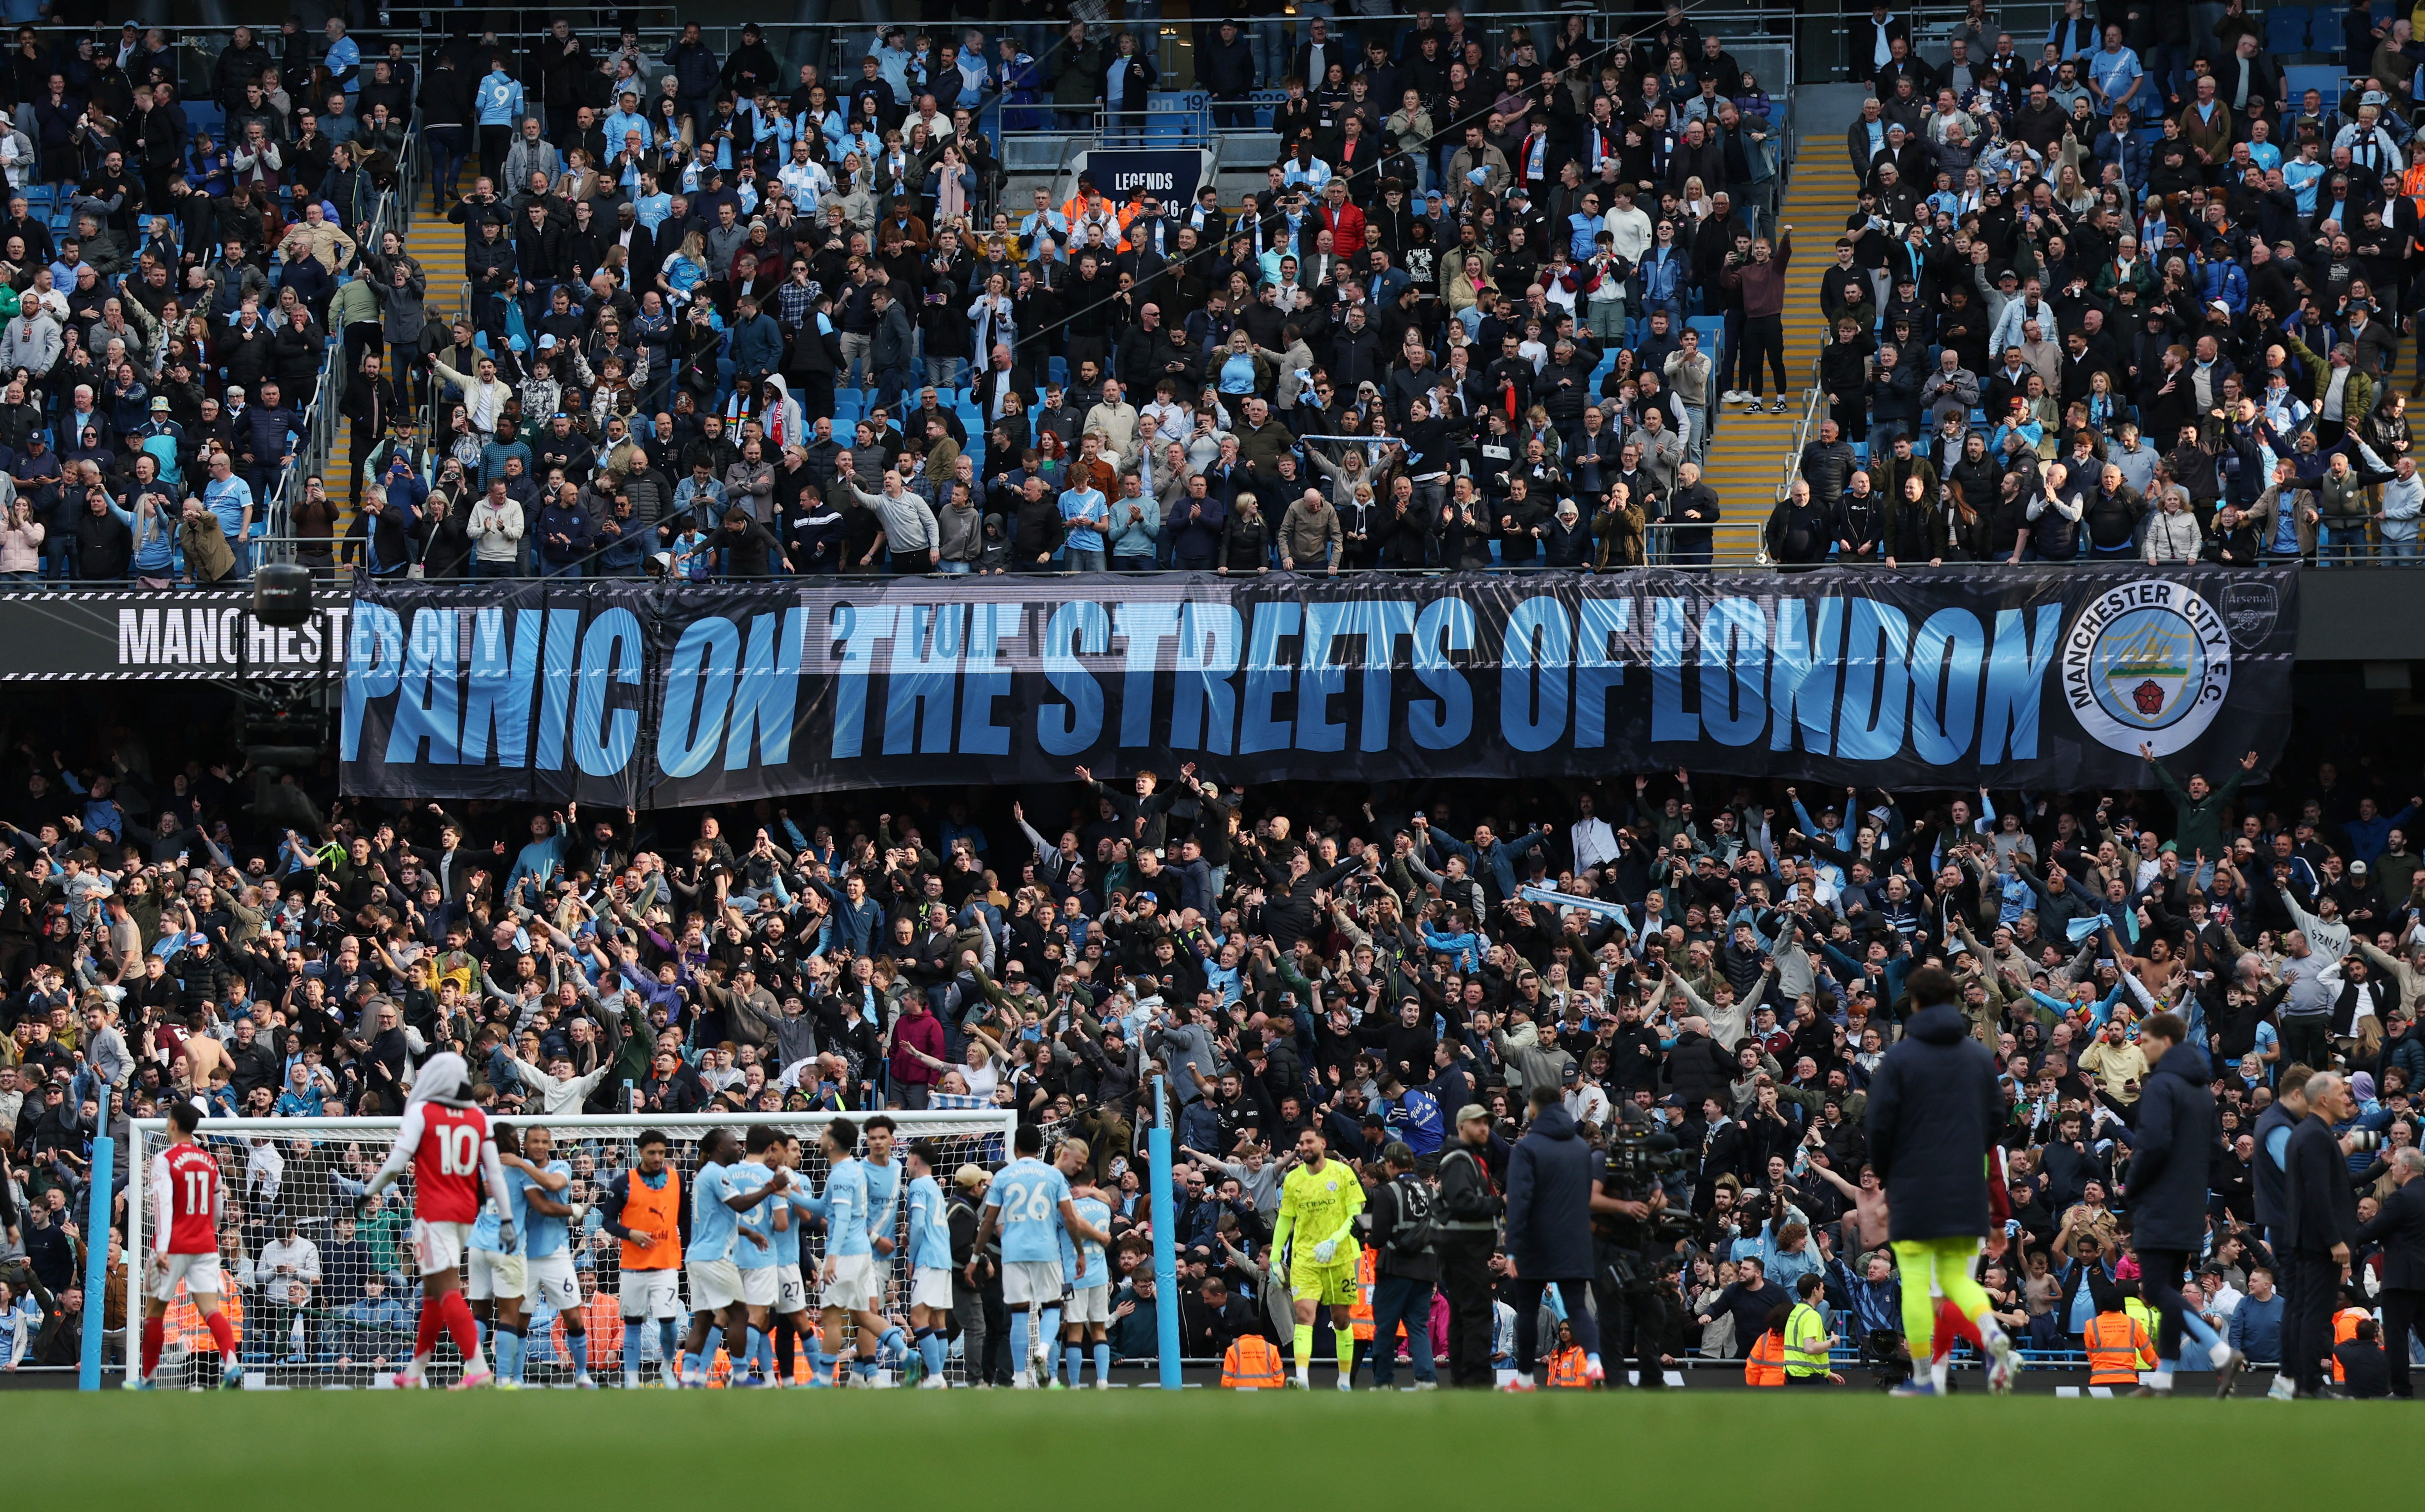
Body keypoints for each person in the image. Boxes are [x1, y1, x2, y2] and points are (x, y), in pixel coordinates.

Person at [1864, 965, 2018, 1394]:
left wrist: (1888, 1172)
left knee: (1913, 1278)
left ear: (1913, 1002)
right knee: (1956, 1280)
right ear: (1953, 1001)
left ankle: (1921, 1378)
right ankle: (1991, 1336)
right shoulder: (1976, 1055)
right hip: (1965, 1185)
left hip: (1915, 1185)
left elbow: (1878, 1125)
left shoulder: (1900, 1056)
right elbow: (1995, 1121)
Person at [354, 1049, 517, 1389]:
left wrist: (369, 1191)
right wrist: (506, 1218)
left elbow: (397, 1163)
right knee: (431, 1292)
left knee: (446, 1291)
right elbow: (495, 1174)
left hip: (433, 1214)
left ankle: (477, 1366)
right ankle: (415, 1372)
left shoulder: (423, 1112)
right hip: (466, 1215)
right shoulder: (476, 1116)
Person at [2125, 1010, 2246, 1396]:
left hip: (2160, 1201)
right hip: (2190, 1204)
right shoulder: (2199, 1090)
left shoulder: (2161, 1085)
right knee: (2172, 1288)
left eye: (2145, 1039)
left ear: (2166, 1042)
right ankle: (2162, 1379)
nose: (2141, 1045)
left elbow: (2153, 1144)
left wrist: (2132, 1185)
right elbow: (2215, 1151)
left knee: (2157, 1289)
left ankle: (2220, 1351)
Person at [973, 1122, 1108, 1388]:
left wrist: (976, 1257)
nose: (1078, 1168)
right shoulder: (1054, 1178)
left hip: (1012, 1252)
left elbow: (989, 1221)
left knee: (1020, 1314)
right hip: (1047, 1252)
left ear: (1015, 1146)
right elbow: (1071, 1219)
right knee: (1053, 1310)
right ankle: (1044, 1353)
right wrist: (1083, 1249)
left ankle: (1021, 1379)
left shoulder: (1003, 1176)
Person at [134, 1099, 245, 1390]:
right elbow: (220, 1204)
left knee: (154, 1312)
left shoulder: (165, 1159)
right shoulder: (209, 1160)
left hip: (175, 1245)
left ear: (172, 1124)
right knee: (211, 1310)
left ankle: (147, 1379)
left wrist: (161, 1248)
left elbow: (164, 1205)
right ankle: (232, 1365)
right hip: (206, 1244)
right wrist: (211, 1228)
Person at [1503, 1082, 1602, 1389]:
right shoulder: (1580, 1147)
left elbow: (1519, 1201)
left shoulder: (1527, 1148)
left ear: (1533, 1109)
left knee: (1529, 1310)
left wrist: (1512, 1249)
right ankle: (1596, 1363)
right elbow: (1586, 1194)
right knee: (1577, 1307)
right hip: (1574, 1239)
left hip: (1535, 1242)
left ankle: (1524, 1380)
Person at [2282, 1072, 2361, 1397]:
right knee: (2314, 1313)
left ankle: (2305, 1382)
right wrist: (2334, 1239)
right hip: (2318, 1243)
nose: (2348, 1099)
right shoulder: (2314, 1135)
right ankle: (2310, 1383)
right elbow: (2317, 1192)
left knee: (2307, 1310)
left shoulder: (2311, 1133)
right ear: (2324, 1100)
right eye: (2342, 1093)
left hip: (2309, 1240)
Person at [1272, 1123, 1367, 1389]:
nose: (1304, 1147)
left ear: (1322, 1144)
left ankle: (1345, 1380)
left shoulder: (1343, 1173)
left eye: (1309, 1142)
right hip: (1305, 1257)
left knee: (1341, 1319)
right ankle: (1302, 1377)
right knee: (1304, 1314)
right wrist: (1275, 1255)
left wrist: (1334, 1240)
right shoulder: (1293, 1179)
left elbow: (1355, 1213)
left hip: (1341, 1256)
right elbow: (1285, 1219)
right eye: (1301, 1143)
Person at [597, 1128, 684, 1389]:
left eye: (662, 1152)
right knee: (633, 1322)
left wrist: (688, 1251)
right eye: (652, 1153)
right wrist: (629, 1233)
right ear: (640, 1152)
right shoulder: (623, 1183)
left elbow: (686, 1218)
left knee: (669, 1320)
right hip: (633, 1266)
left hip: (666, 1263)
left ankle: (667, 1365)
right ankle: (632, 1379)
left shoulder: (676, 1179)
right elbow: (608, 1221)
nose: (658, 1158)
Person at [510, 1125, 589, 1388]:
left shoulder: (561, 1166)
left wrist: (521, 1165)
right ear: (526, 1144)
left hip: (557, 1253)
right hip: (525, 1256)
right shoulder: (517, 1173)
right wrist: (575, 1209)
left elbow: (554, 1184)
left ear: (550, 1143)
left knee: (574, 1316)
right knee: (522, 1318)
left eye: (545, 1141)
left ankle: (582, 1374)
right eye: (535, 1141)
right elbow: (540, 1206)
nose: (540, 1146)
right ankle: (518, 1378)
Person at [1436, 1103, 1503, 1389]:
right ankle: (1476, 1382)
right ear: (1462, 1127)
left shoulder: (1466, 1159)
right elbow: (1463, 1204)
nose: (1484, 1128)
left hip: (1463, 1250)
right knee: (1476, 1316)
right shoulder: (1460, 1161)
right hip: (1465, 1251)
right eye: (1477, 1123)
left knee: (1465, 1317)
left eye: (1487, 1123)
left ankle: (1464, 1382)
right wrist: (1500, 1202)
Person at [1364, 1141, 1439, 1390]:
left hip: (1396, 1268)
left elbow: (1379, 1237)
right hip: (1427, 1268)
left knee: (1385, 1327)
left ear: (1391, 1164)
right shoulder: (1430, 1191)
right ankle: (1426, 1379)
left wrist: (1364, 1233)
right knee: (1418, 1326)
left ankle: (1384, 1382)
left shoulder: (1390, 1191)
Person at [2354, 1146, 2425, 1397]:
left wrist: (2339, 1243)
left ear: (2406, 1168)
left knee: (2395, 1337)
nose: (2392, 1168)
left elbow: (2371, 1231)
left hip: (2401, 1280)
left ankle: (2402, 1391)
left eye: (2394, 1165)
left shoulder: (2401, 1198)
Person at [903, 1140, 957, 1388]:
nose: (906, 1164)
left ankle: (935, 1376)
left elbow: (919, 1225)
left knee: (918, 1320)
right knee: (938, 1322)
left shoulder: (918, 1185)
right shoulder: (935, 1187)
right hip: (943, 1258)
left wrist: (911, 1258)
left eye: (907, 1158)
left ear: (914, 1159)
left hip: (928, 1258)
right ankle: (936, 1376)